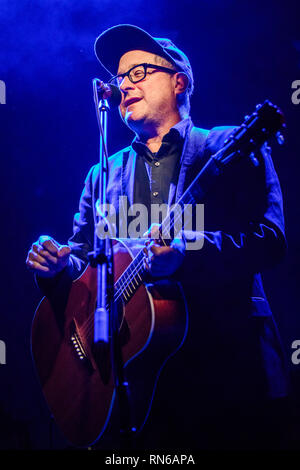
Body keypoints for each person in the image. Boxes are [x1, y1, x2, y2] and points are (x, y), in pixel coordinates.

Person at [26, 24, 290, 450]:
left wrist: (187, 252)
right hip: (134, 386)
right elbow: (84, 262)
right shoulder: (102, 174)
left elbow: (269, 240)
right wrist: (56, 266)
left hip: (226, 376)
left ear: (178, 81)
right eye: (117, 78)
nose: (122, 86)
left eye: (137, 73)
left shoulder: (226, 148)